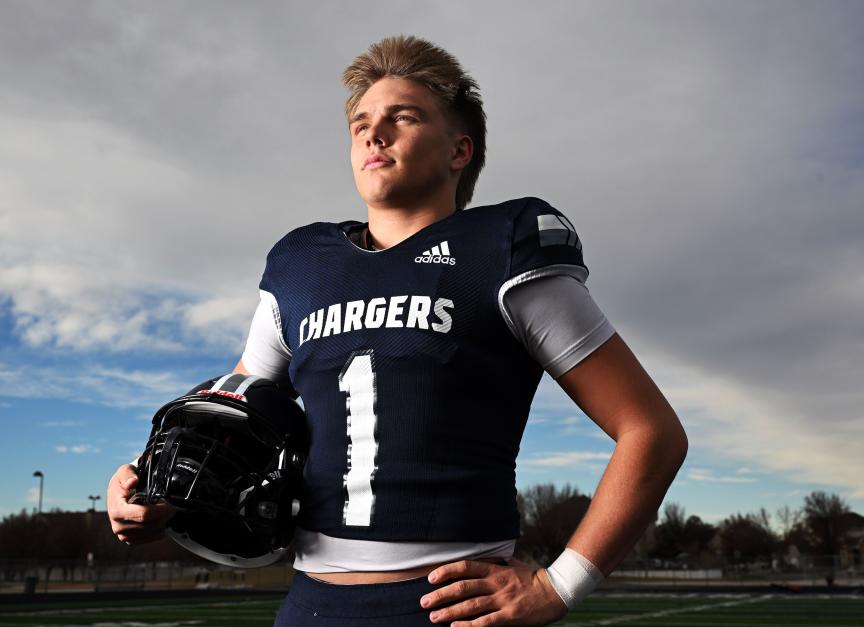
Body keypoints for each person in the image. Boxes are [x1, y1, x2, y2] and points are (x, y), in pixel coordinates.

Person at [107, 35, 688, 626]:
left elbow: (651, 431)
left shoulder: (502, 252)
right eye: (361, 123)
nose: (372, 134)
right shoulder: (301, 265)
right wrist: (146, 478)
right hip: (310, 605)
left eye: (401, 118)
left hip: (450, 606)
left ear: (460, 150)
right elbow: (232, 409)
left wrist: (560, 586)